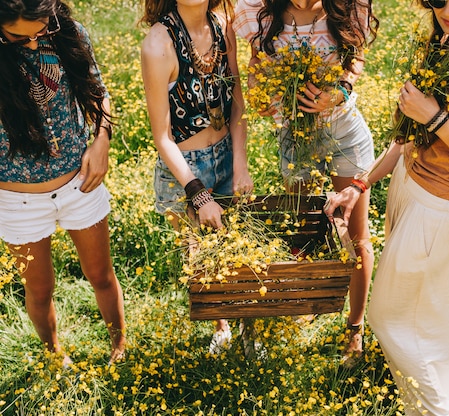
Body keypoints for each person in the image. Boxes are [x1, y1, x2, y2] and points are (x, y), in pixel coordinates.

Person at [325, 0, 449, 413]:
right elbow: (408, 134)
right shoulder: (446, 39)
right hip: (410, 190)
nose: (448, 10)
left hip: (439, 210)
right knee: (415, 324)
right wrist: (361, 184)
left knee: (397, 324)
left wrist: (435, 118)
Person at [233, 0, 378, 362]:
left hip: (346, 135)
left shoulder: (344, 8)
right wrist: (261, 96)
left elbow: (354, 56)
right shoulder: (263, 14)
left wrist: (340, 91)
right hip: (295, 139)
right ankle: (307, 308)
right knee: (304, 231)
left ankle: (355, 329)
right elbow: (256, 70)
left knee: (357, 236)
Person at [0, 0, 126, 366]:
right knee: (39, 289)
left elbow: (98, 92)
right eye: (19, 37)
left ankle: (119, 344)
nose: (35, 42)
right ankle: (55, 354)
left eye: (41, 30)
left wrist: (101, 140)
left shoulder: (67, 33)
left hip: (79, 185)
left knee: (101, 274)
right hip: (16, 200)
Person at [140, 0, 253, 353]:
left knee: (245, 250)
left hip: (225, 155)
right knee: (203, 259)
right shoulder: (158, 45)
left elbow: (237, 102)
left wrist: (241, 164)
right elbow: (162, 137)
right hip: (185, 169)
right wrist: (198, 193)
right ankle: (223, 330)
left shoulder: (223, 26)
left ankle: (249, 331)